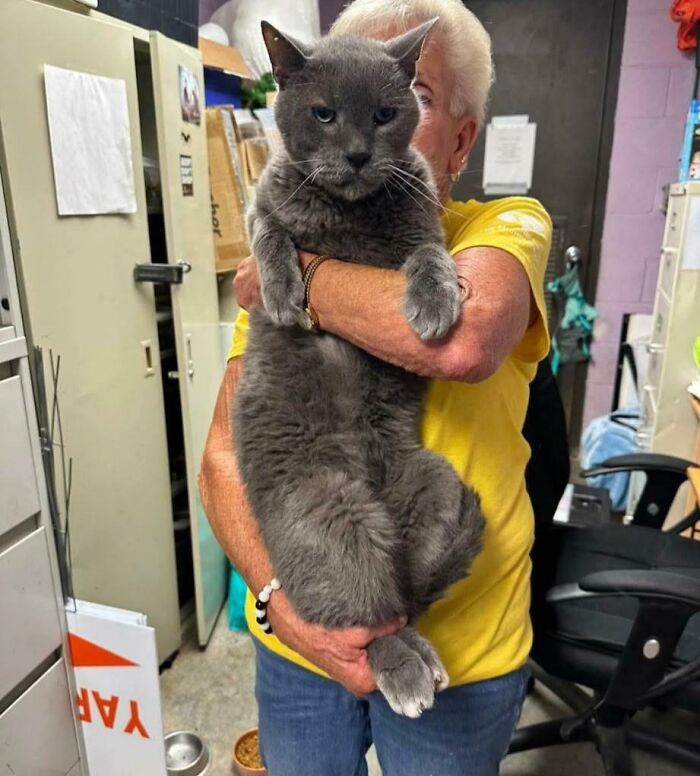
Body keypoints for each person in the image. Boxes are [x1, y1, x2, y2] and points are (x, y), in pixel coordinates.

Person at [199, 0, 552, 773]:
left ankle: (398, 627)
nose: (357, 148)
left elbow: (458, 338)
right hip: (298, 629)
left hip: (466, 651)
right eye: (329, 110)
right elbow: (222, 459)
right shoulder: (284, 228)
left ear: (462, 135)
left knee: (437, 501)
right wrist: (278, 605)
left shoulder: (505, 229)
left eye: (410, 99)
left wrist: (299, 276)